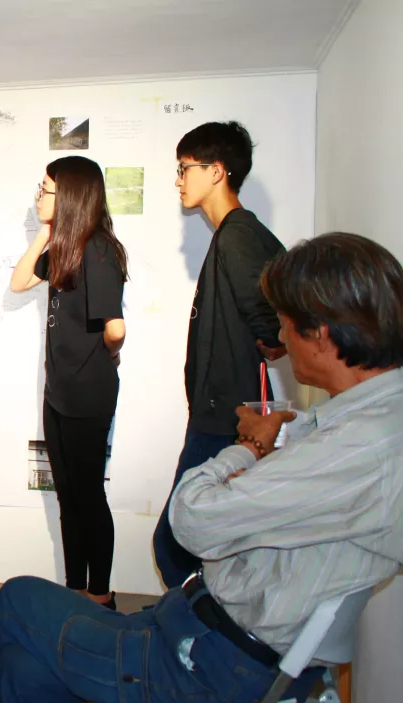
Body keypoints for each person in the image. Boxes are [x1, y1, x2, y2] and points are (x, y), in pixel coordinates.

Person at [0, 232, 403, 703]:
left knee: (17, 600)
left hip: (206, 672)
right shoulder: (366, 421)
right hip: (204, 635)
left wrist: (247, 448)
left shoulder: (360, 448)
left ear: (323, 335)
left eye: (286, 324)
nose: (281, 339)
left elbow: (191, 521)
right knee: (23, 669)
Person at [153, 121, 287, 588]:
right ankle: (193, 619)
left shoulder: (237, 235)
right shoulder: (239, 233)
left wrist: (272, 339)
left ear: (216, 171)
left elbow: (273, 323)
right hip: (223, 411)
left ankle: (195, 624)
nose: (178, 180)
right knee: (197, 538)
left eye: (184, 168)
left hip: (226, 416)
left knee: (175, 539)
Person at [9, 155, 128, 610]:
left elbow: (115, 328)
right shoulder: (66, 246)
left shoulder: (99, 249)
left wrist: (108, 356)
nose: (38, 196)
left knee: (89, 497)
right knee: (68, 497)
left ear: (71, 196)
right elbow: (19, 282)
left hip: (87, 394)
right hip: (58, 392)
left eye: (45, 190)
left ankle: (100, 595)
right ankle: (76, 589)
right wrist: (45, 232)